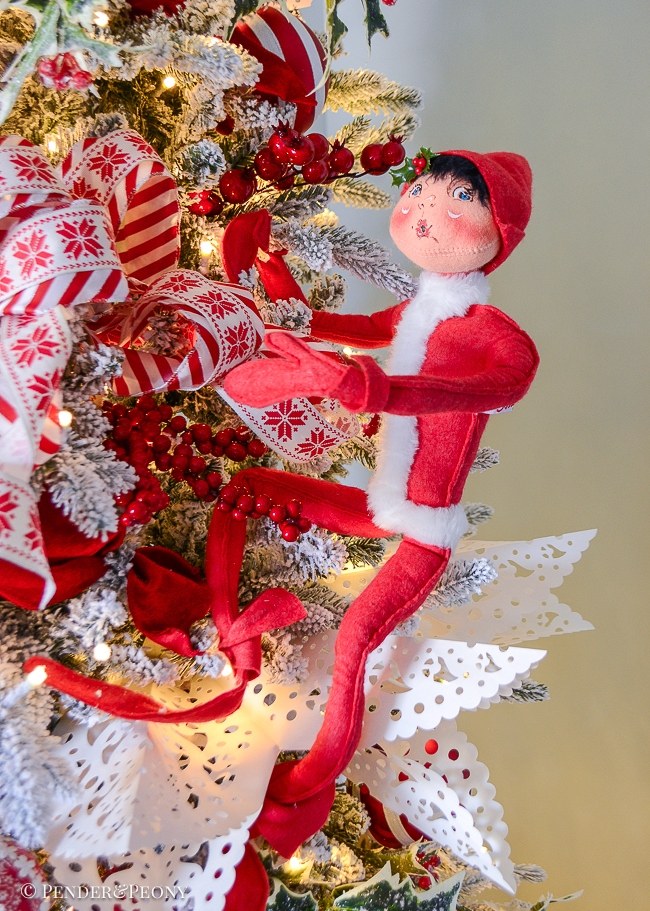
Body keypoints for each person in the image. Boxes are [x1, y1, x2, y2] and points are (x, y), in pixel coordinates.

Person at [225, 149, 541, 855]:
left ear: (501, 234)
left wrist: (378, 390)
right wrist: (278, 285)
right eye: (421, 186)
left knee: (355, 641)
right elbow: (356, 331)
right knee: (249, 487)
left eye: (459, 197)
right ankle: (225, 622)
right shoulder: (418, 309)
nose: (426, 203)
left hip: (425, 531)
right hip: (379, 503)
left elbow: (502, 384)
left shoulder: (494, 334)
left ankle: (305, 787)